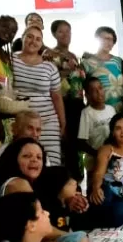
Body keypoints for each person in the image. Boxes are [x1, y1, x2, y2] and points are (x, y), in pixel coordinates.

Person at [12, 26, 65, 167]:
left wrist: (62, 122)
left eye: (38, 39)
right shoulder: (10, 60)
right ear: (22, 38)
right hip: (21, 122)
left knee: (51, 164)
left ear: (41, 43)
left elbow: (57, 97)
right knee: (23, 161)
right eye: (29, 36)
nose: (33, 41)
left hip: (47, 122)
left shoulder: (50, 66)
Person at [46, 20, 86, 178]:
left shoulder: (73, 56)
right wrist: (67, 71)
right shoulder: (50, 55)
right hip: (62, 105)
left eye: (68, 31)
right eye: (61, 31)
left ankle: (78, 179)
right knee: (66, 143)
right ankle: (67, 181)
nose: (65, 34)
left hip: (78, 104)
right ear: (54, 34)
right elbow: (50, 80)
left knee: (77, 143)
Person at [79, 77, 117, 178]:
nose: (99, 92)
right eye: (94, 91)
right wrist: (99, 154)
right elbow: (82, 142)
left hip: (112, 160)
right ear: (87, 95)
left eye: (100, 88)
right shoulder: (86, 113)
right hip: (94, 163)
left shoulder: (111, 109)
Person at [82, 26, 123, 112]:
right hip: (98, 112)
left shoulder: (118, 61)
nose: (109, 42)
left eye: (112, 40)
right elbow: (83, 89)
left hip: (119, 111)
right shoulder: (87, 63)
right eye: (106, 39)